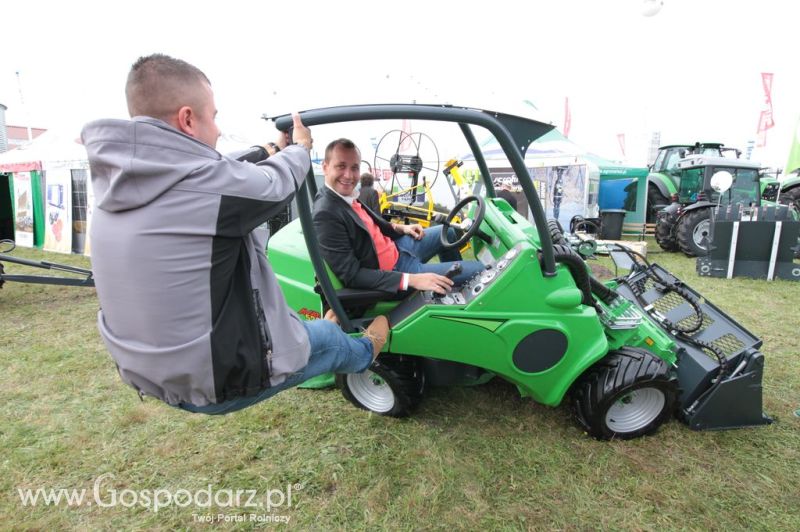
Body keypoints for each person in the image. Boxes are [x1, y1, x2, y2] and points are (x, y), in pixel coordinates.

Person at [81, 54, 388, 415]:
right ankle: (367, 351)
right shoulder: (208, 191)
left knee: (304, 327)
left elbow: (215, 171)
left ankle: (310, 331)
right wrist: (300, 149)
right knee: (333, 341)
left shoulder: (115, 188)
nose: (218, 129)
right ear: (187, 119)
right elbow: (274, 183)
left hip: (148, 373)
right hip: (218, 379)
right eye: (213, 116)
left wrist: (268, 149)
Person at [313, 138, 485, 295]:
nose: (349, 175)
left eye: (354, 168)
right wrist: (413, 280)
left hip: (399, 247)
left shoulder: (346, 197)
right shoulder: (326, 214)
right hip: (397, 270)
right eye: (341, 166)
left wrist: (402, 227)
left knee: (448, 232)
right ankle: (454, 284)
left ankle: (454, 293)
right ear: (325, 167)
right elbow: (353, 275)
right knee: (481, 270)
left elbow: (374, 226)